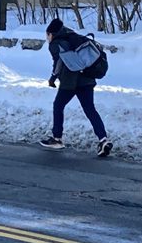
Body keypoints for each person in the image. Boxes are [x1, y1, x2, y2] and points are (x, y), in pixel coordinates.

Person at [40, 19, 113, 157]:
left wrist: (52, 78)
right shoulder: (74, 37)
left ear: (51, 34)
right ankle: (103, 140)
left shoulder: (56, 43)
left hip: (70, 82)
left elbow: (59, 63)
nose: (47, 38)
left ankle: (57, 139)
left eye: (47, 35)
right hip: (87, 79)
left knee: (58, 105)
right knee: (90, 109)